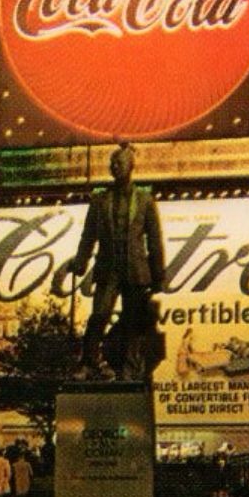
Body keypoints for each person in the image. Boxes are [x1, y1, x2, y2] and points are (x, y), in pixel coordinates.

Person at [69, 143, 167, 380]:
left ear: (131, 166)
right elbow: (88, 235)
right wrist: (81, 261)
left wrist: (158, 275)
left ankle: (129, 369)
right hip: (108, 268)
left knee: (133, 323)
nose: (114, 167)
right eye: (112, 163)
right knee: (99, 315)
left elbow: (154, 240)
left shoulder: (145, 201)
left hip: (135, 270)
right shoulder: (100, 201)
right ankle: (89, 362)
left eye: (119, 162)